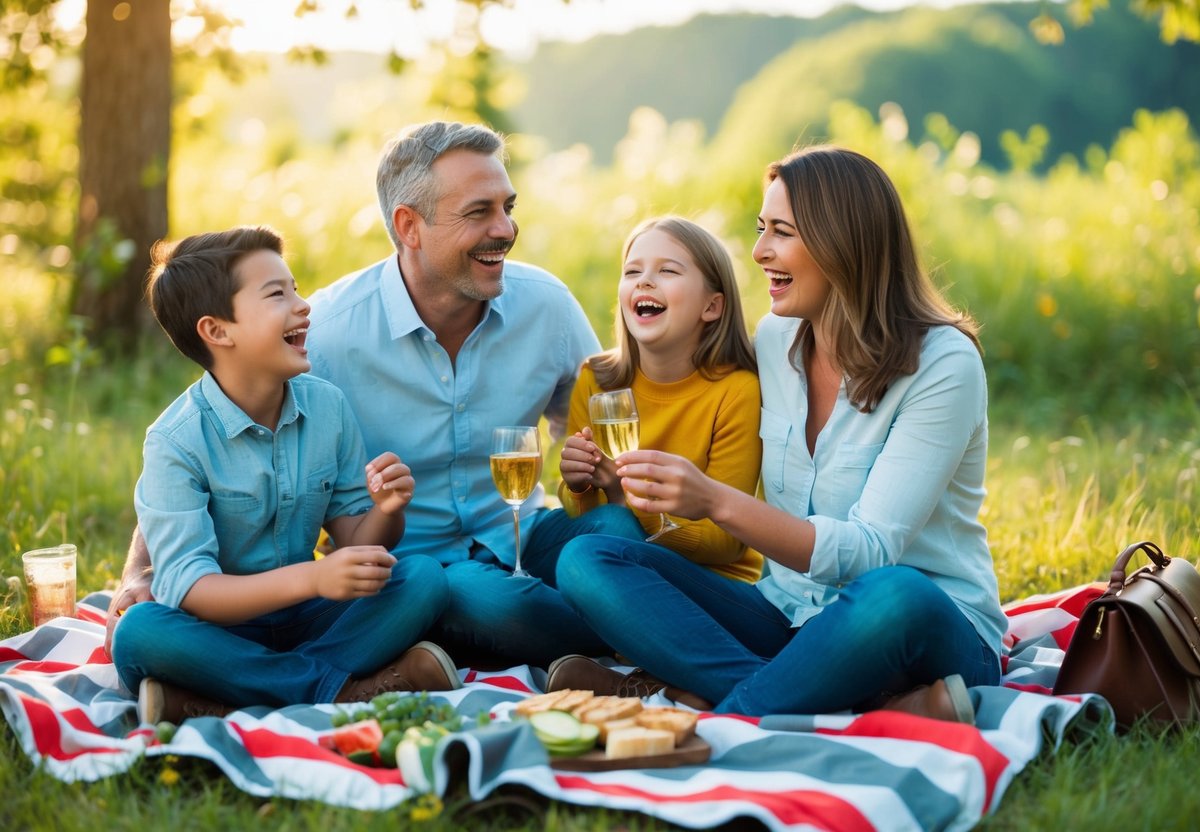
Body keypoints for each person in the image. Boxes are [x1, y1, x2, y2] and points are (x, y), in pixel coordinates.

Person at [106, 121, 641, 669]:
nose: (505, 228)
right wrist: (141, 572)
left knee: (618, 533)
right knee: (479, 598)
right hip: (414, 565)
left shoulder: (546, 306)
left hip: (521, 532)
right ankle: (616, 632)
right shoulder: (324, 335)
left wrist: (599, 473)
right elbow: (204, 441)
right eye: (479, 212)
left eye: (508, 206)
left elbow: (612, 424)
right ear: (409, 225)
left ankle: (604, 628)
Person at [550, 146, 1008, 721]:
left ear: (842, 243)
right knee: (588, 558)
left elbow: (869, 552)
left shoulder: (943, 364)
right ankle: (830, 698)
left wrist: (713, 500)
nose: (760, 251)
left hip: (916, 626)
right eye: (761, 229)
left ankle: (725, 709)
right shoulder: (776, 339)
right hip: (788, 616)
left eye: (782, 233)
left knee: (897, 590)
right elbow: (695, 375)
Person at [111, 226, 457, 724]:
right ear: (217, 331)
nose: (303, 305)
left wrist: (387, 509)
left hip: (310, 621)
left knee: (423, 579)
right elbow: (193, 590)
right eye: (278, 294)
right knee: (141, 632)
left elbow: (356, 540)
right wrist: (314, 576)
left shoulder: (327, 406)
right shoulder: (175, 441)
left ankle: (224, 697)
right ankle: (340, 691)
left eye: (295, 288)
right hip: (221, 633)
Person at [556, 216, 763, 582]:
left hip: (710, 585)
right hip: (606, 564)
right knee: (486, 597)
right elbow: (586, 515)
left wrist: (624, 496)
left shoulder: (736, 390)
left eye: (668, 270)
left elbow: (726, 541)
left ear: (712, 307)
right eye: (632, 271)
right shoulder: (596, 378)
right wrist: (577, 484)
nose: (645, 280)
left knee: (605, 538)